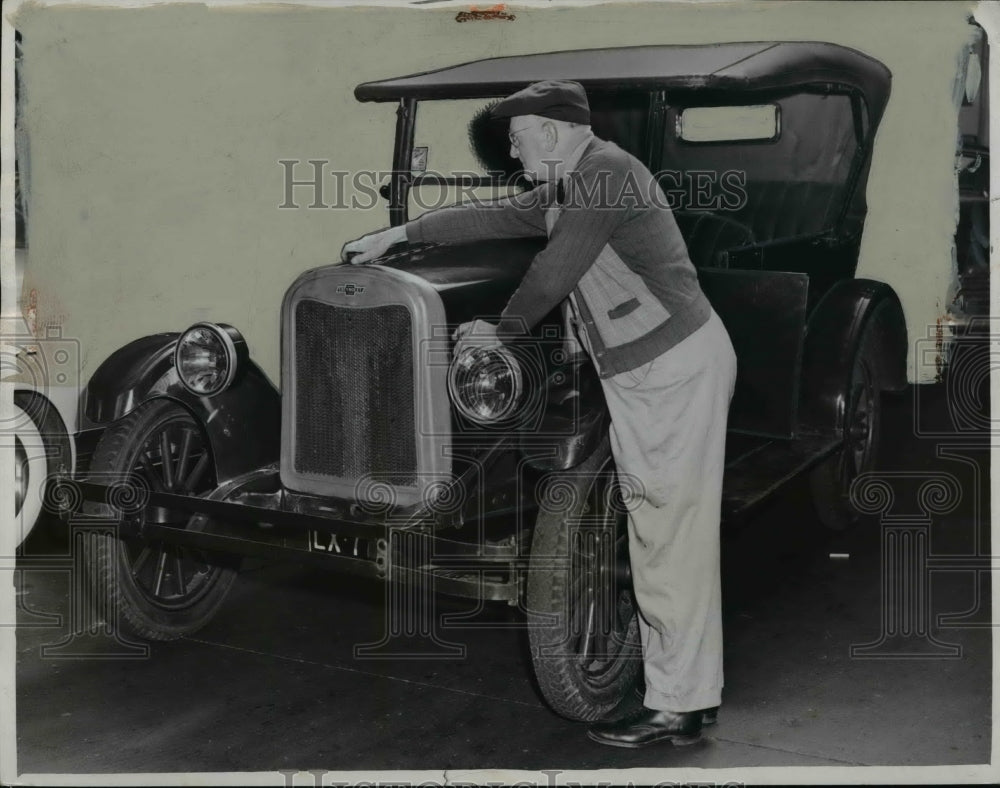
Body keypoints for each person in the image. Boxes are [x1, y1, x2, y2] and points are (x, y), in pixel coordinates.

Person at [342, 80, 737, 749]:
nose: (516, 156)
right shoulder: (570, 182)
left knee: (670, 534)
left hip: (672, 366)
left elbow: (555, 271)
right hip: (645, 369)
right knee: (659, 528)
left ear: (551, 133)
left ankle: (681, 704)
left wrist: (502, 330)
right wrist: (399, 233)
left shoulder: (605, 175)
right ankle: (683, 694)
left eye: (518, 141)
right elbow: (492, 217)